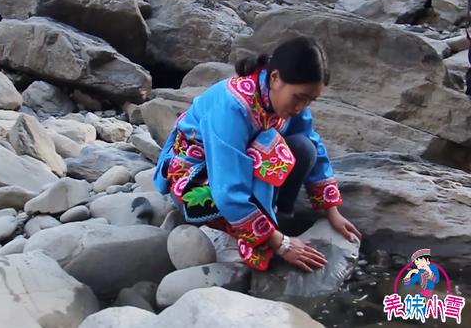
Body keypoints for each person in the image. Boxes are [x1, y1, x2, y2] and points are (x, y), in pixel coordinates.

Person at [153, 36, 362, 272]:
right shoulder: (233, 106)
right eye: (299, 98)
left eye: (309, 101)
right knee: (269, 149)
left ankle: (276, 219)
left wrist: (332, 212)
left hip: (239, 167)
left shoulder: (288, 102)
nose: (300, 107)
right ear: (275, 78)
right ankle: (239, 234)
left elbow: (314, 146)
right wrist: (281, 244)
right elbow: (227, 188)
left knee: (304, 148)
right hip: (196, 179)